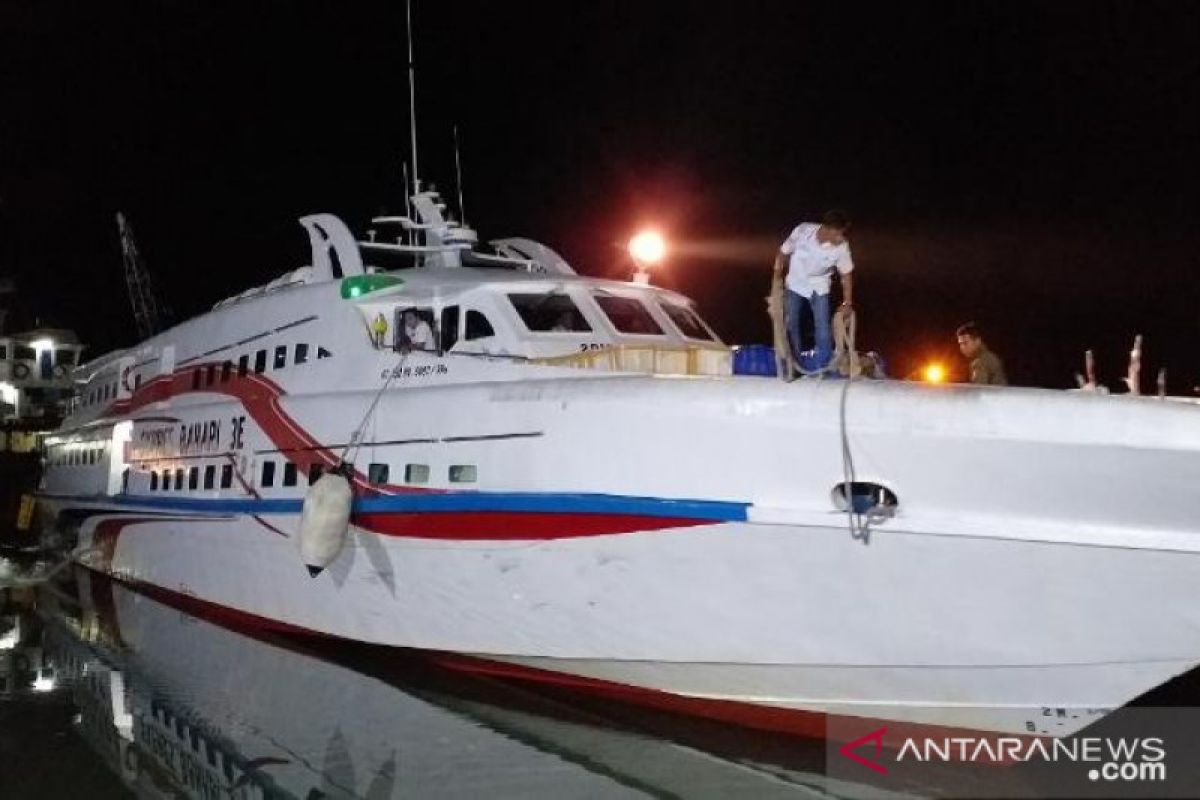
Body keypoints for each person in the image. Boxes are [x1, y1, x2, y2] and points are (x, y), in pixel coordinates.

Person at [773, 210, 854, 370]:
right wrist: (776, 276)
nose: (841, 237)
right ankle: (793, 364)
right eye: (838, 233)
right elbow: (783, 252)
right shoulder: (803, 231)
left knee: (823, 327)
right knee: (791, 323)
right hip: (795, 284)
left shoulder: (842, 246)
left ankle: (823, 366)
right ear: (826, 229)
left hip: (819, 285)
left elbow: (846, 274)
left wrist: (847, 302)